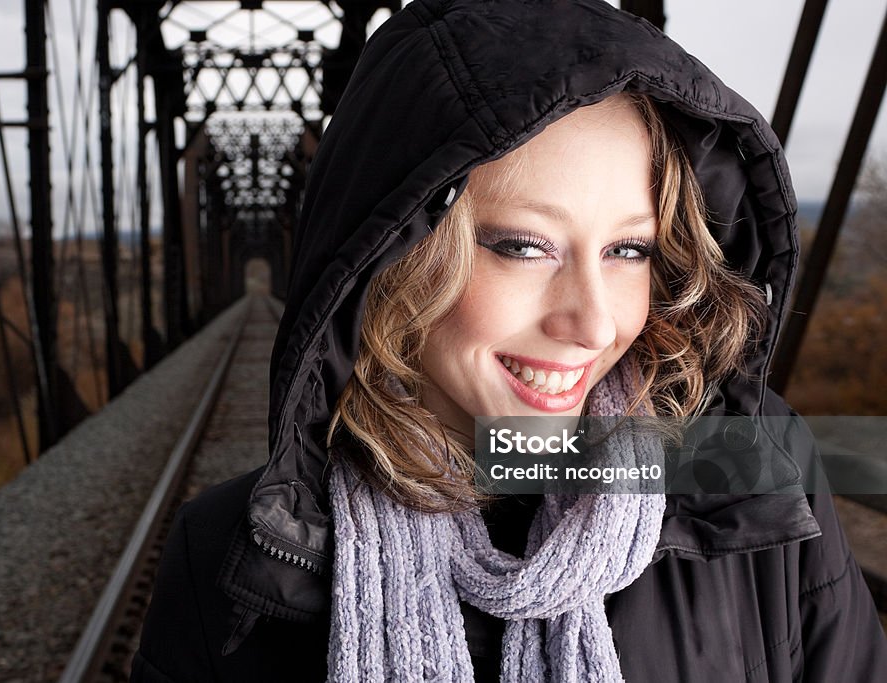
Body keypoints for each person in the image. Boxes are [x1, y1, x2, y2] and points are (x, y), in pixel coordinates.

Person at [131, 1, 887, 681]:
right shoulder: (230, 556)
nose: (592, 322)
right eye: (525, 247)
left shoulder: (756, 470)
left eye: (629, 250)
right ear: (393, 261)